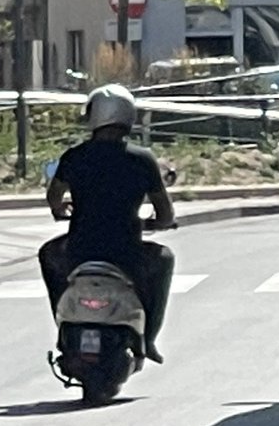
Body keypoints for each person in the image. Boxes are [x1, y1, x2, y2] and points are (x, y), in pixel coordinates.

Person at [38, 83, 176, 364]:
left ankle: (63, 324)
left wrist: (61, 208)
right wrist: (156, 223)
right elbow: (166, 213)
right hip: (127, 252)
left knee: (47, 254)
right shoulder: (142, 159)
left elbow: (54, 196)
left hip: (79, 250)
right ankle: (148, 338)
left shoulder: (74, 156)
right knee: (164, 259)